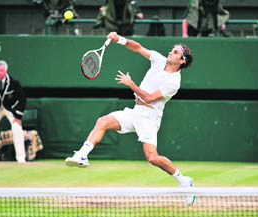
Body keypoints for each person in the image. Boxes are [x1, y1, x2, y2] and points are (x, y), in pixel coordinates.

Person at [65, 32, 195, 205]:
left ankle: (183, 181)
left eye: (176, 52)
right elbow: (138, 47)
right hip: (135, 113)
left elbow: (149, 98)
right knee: (102, 121)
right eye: (172, 50)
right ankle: (82, 155)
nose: (171, 53)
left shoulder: (174, 82)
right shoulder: (158, 59)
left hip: (149, 118)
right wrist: (119, 39)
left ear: (182, 61)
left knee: (152, 158)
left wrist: (131, 84)